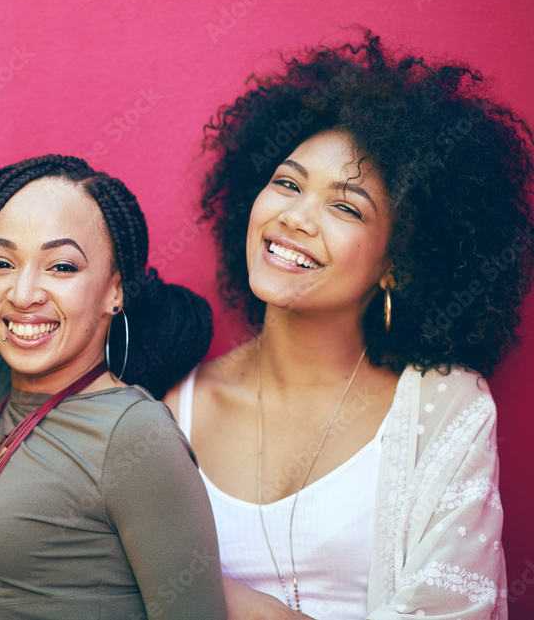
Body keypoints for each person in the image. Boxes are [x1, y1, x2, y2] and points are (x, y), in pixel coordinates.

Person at [165, 32, 533, 619]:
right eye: (287, 183)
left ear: (398, 263)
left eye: (345, 206)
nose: (295, 217)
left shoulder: (446, 411)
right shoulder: (170, 404)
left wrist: (230, 604)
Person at [0, 155, 226, 618]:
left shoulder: (134, 435)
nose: (23, 293)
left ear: (115, 291)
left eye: (62, 267)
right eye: (1, 262)